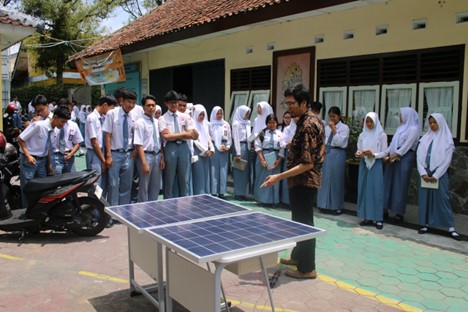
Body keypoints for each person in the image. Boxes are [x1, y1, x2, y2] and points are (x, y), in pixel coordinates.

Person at [261, 84, 325, 279]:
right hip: (298, 181)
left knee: (305, 224)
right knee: (299, 222)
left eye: (292, 103)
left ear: (304, 103)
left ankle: (307, 268)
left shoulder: (307, 125)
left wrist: (278, 177)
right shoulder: (307, 119)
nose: (289, 107)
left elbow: (307, 164)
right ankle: (298, 256)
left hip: (304, 182)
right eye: (286, 103)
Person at [416, 113, 460, 240]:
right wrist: (423, 173)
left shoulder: (447, 141)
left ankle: (450, 226)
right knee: (425, 198)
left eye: (435, 122)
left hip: (438, 174)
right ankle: (425, 223)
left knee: (442, 199)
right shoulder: (425, 138)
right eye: (430, 123)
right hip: (425, 173)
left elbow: (446, 161)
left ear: (440, 123)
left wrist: (436, 175)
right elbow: (419, 157)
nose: (432, 125)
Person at [18, 106, 70, 207]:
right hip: (30, 161)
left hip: (42, 161)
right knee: (28, 189)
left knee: (42, 190)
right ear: (55, 117)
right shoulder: (38, 125)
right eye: (62, 121)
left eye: (65, 123)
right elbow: (21, 139)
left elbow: (47, 146)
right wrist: (28, 156)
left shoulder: (52, 129)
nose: (63, 125)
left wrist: (49, 163)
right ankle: (25, 213)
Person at [159, 90, 198, 199]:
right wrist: (184, 133)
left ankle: (184, 203)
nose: (175, 105)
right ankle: (168, 203)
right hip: (170, 148)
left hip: (184, 147)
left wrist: (176, 135)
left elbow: (191, 134)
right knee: (169, 178)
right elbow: (166, 137)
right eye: (172, 103)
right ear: (166, 103)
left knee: (184, 178)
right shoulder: (163, 118)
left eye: (176, 102)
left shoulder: (185, 117)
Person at [383, 107, 420, 222]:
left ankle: (399, 212)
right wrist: (386, 153)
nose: (400, 117)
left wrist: (394, 155)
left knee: (400, 185)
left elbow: (407, 146)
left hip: (405, 158)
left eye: (402, 114)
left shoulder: (414, 129)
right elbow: (393, 142)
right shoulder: (400, 128)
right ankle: (385, 208)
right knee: (388, 182)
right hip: (393, 157)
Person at [103, 89, 138, 206]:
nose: (131, 105)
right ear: (121, 101)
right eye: (129, 102)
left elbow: (136, 135)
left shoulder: (134, 115)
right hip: (115, 154)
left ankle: (123, 211)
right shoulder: (112, 114)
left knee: (126, 185)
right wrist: (108, 155)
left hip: (129, 154)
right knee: (113, 185)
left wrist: (135, 150)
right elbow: (107, 136)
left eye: (133, 103)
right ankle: (112, 213)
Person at [356, 112, 388, 230]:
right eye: (367, 122)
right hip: (364, 163)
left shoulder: (381, 135)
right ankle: (366, 216)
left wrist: (373, 154)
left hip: (376, 164)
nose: (369, 124)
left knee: (376, 190)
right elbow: (358, 150)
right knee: (364, 189)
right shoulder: (362, 135)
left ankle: (378, 218)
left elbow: (385, 152)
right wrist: (359, 153)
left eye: (371, 122)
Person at [317, 106, 350, 215]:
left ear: (339, 116)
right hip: (327, 152)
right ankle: (323, 204)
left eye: (334, 116)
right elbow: (323, 141)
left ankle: (336, 206)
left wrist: (334, 130)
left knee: (336, 179)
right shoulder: (326, 128)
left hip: (338, 153)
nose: (332, 119)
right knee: (325, 178)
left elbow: (340, 142)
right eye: (330, 116)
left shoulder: (344, 128)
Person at [134, 95, 165, 202]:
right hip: (146, 156)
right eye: (148, 105)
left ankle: (153, 209)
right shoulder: (140, 123)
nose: (151, 107)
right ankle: (142, 211)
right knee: (144, 186)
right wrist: (144, 163)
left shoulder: (157, 122)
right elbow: (138, 144)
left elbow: (161, 141)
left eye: (153, 105)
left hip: (157, 155)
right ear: (143, 107)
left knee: (155, 186)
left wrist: (162, 157)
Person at [85, 95, 116, 199]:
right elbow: (94, 142)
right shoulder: (91, 118)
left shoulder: (102, 118)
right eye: (111, 109)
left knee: (103, 183)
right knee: (95, 182)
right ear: (105, 105)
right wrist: (103, 160)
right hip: (95, 153)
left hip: (101, 152)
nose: (111, 112)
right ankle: (93, 210)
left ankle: (101, 208)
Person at [254, 114, 284, 205]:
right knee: (262, 178)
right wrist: (262, 160)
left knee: (274, 178)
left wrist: (279, 160)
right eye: (269, 123)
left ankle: (273, 201)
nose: (272, 124)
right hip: (263, 156)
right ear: (266, 123)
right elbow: (257, 147)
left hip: (275, 156)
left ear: (277, 123)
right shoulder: (262, 133)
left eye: (274, 122)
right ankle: (262, 199)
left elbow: (282, 147)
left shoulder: (280, 134)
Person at [51, 103, 83, 175]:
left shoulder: (73, 125)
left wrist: (71, 153)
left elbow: (78, 142)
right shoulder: (54, 126)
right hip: (56, 156)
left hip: (69, 156)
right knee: (56, 180)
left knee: (72, 179)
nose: (63, 124)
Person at [209, 106, 231, 199]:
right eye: (217, 113)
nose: (219, 115)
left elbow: (229, 137)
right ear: (214, 114)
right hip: (214, 148)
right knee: (214, 170)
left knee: (223, 170)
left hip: (224, 148)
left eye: (221, 113)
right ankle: (214, 191)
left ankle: (222, 192)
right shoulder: (211, 125)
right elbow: (209, 137)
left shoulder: (225, 124)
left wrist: (228, 147)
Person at [192, 104, 214, 195]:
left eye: (203, 115)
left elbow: (209, 138)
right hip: (198, 152)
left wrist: (212, 149)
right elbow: (195, 141)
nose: (201, 117)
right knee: (199, 176)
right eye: (200, 114)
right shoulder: (193, 124)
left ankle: (206, 194)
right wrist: (204, 150)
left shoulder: (205, 124)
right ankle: (199, 195)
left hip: (206, 154)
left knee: (206, 175)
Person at [231, 105, 252, 200]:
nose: (247, 115)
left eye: (248, 113)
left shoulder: (247, 123)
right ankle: (238, 193)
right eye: (246, 113)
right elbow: (235, 138)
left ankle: (244, 193)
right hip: (239, 147)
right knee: (238, 170)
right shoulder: (236, 124)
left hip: (246, 148)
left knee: (245, 171)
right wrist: (238, 152)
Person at [279, 115, 298, 206]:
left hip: (299, 156)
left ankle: (296, 201)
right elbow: (281, 142)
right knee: (288, 176)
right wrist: (287, 144)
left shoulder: (303, 128)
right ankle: (286, 201)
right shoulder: (287, 129)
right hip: (289, 154)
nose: (296, 119)